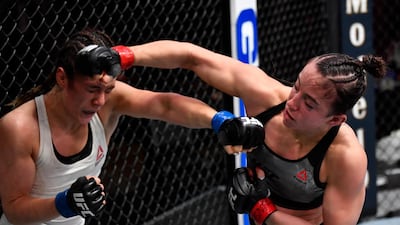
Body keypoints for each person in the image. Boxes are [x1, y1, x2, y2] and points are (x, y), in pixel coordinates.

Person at [0, 29, 265, 225]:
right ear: (61, 78)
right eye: (92, 89)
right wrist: (66, 203)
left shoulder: (107, 102)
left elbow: (165, 105)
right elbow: (14, 209)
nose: (100, 100)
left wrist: (219, 120)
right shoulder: (21, 127)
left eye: (108, 89)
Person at [124, 40, 387, 225]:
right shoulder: (267, 98)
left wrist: (262, 209)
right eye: (296, 87)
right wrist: (123, 55)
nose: (292, 103)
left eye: (309, 104)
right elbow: (191, 57)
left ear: (335, 119)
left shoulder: (345, 156)